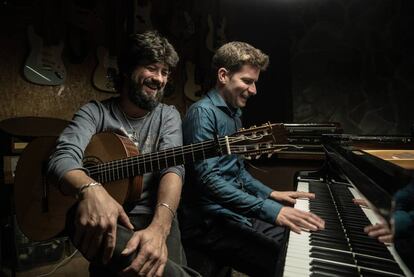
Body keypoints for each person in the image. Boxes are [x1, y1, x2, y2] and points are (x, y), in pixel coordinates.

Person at [47, 30, 200, 277]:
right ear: (128, 69)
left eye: (165, 72)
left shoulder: (168, 115)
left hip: (155, 212)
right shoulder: (95, 113)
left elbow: (173, 169)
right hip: (108, 217)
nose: (160, 79)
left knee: (161, 267)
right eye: (152, 68)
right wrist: (91, 189)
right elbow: (61, 157)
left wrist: (160, 229)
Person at [179, 41, 325, 277]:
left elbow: (236, 170)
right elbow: (208, 180)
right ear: (223, 76)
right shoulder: (202, 113)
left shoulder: (234, 112)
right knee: (286, 262)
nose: (254, 90)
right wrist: (270, 210)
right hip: (209, 224)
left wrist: (271, 194)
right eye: (247, 81)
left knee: (302, 236)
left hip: (236, 213)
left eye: (255, 82)